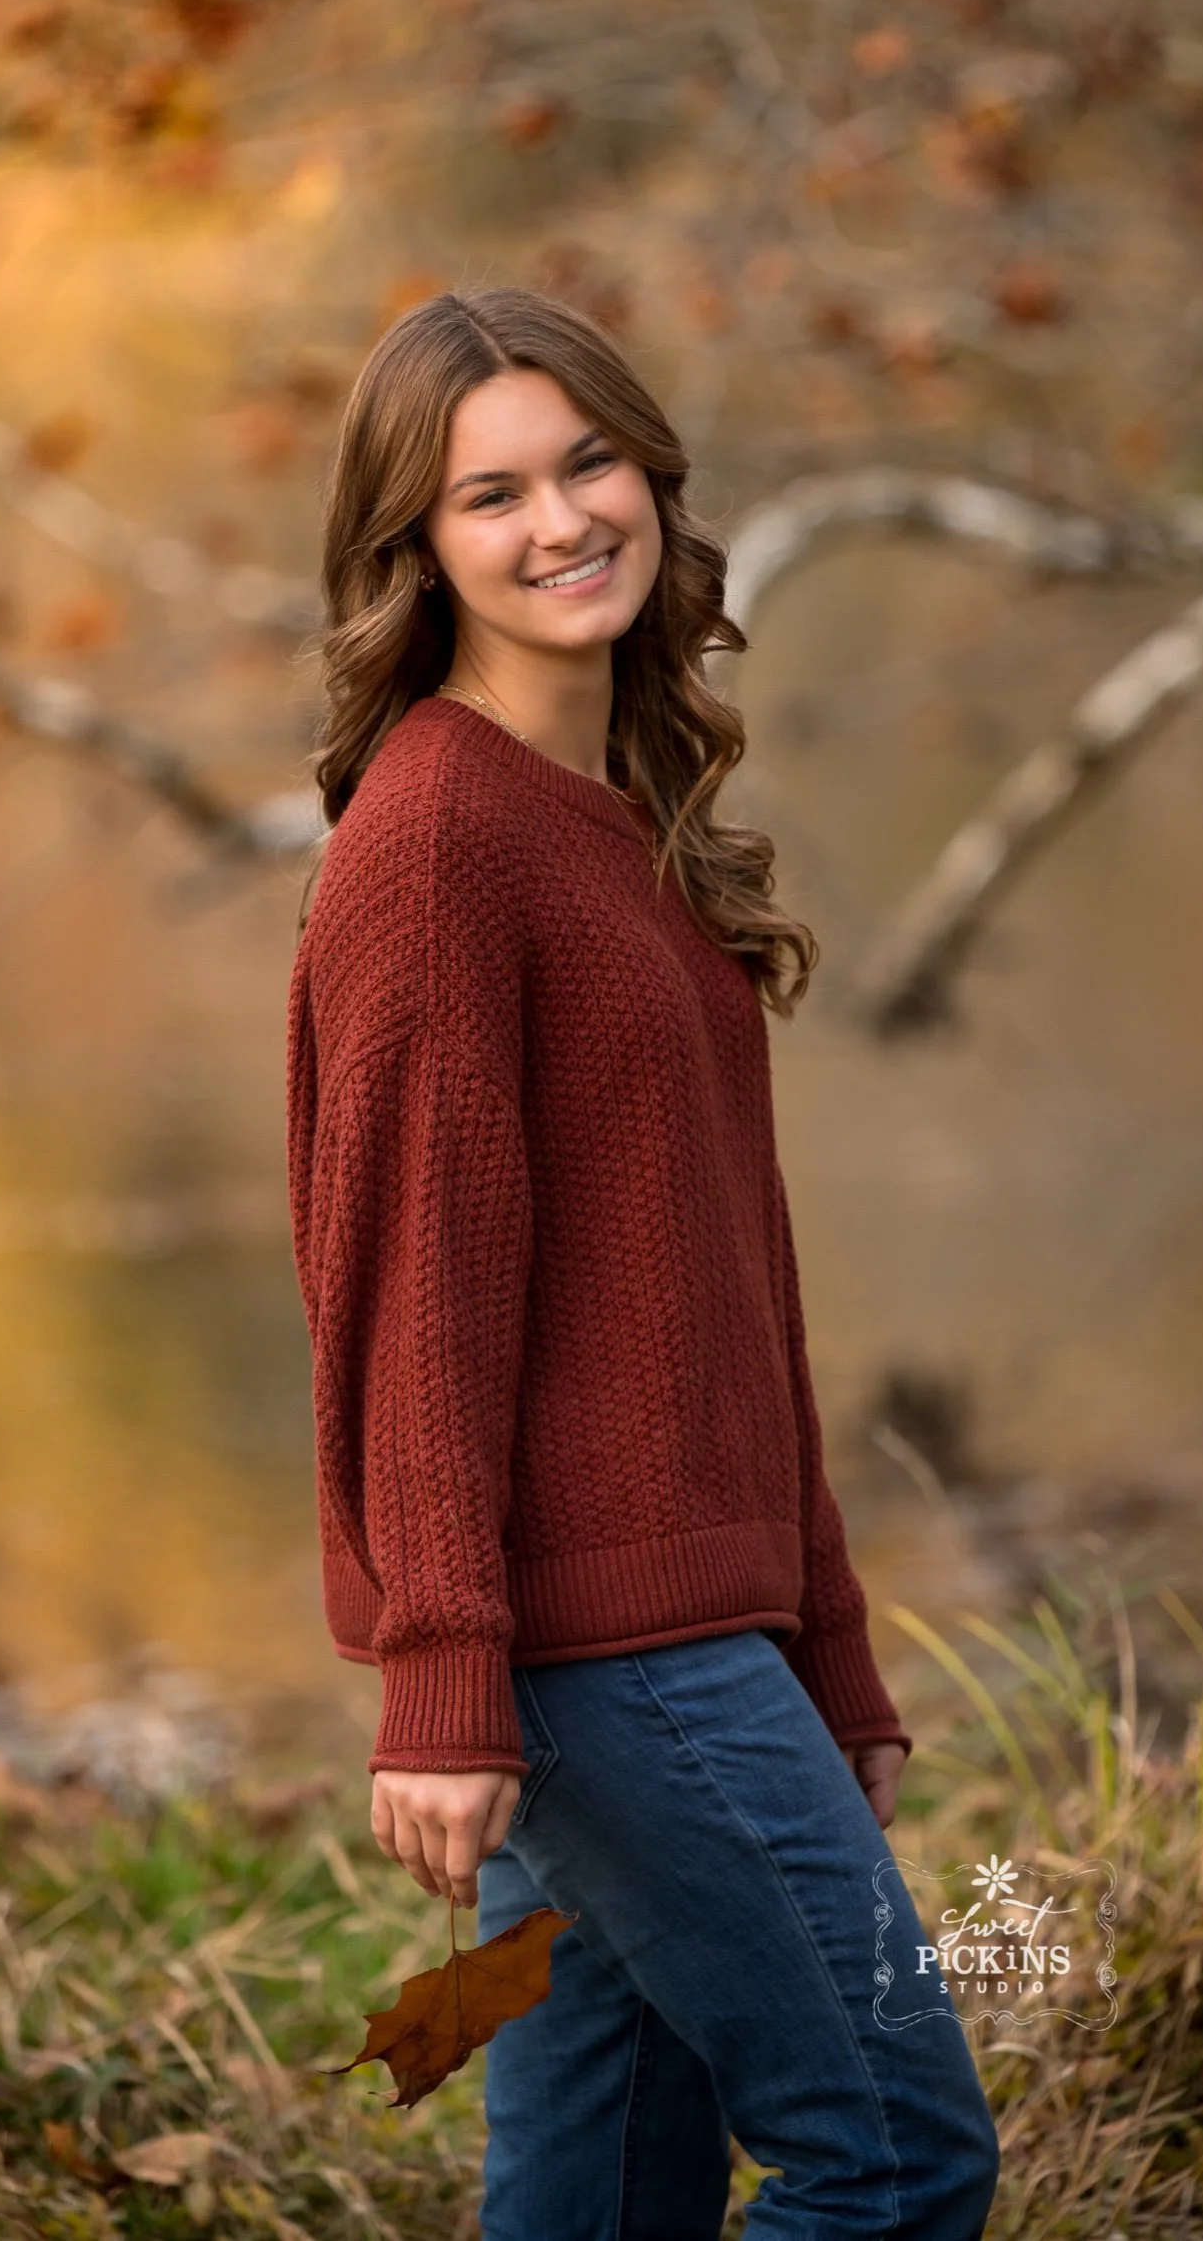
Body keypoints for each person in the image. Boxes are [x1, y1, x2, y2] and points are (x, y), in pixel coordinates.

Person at [284, 286, 1001, 2239]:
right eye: (490, 492)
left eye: (587, 460)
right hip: (602, 1652)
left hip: (674, 1621)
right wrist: (441, 1677)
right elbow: (416, 1288)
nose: (560, 519)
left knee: (604, 2184)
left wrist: (827, 1636)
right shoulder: (437, 836)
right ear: (416, 550)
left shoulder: (620, 823)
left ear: (653, 474)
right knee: (896, 2155)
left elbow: (729, 1298)